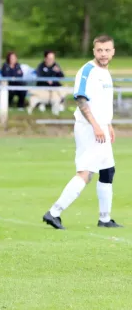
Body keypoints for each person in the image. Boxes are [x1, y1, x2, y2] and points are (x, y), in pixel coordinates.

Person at [42, 35, 122, 230]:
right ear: (94, 51)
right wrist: (95, 125)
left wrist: (107, 124)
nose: (103, 54)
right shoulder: (88, 71)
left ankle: (104, 219)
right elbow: (81, 99)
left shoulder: (105, 71)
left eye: (107, 50)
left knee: (107, 171)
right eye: (99, 50)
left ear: (113, 52)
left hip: (101, 127)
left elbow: (101, 102)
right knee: (85, 173)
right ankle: (53, 213)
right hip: (89, 128)